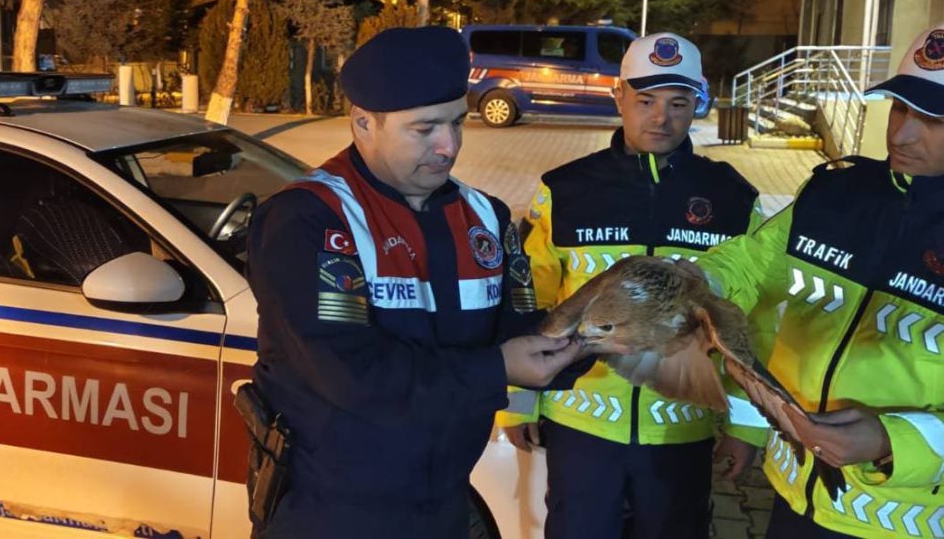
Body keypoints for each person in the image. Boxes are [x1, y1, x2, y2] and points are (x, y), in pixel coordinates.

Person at [244, 26, 595, 539]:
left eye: (458, 122)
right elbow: (351, 375)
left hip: (444, 503)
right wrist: (498, 367)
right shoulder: (311, 218)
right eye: (424, 128)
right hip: (327, 510)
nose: (448, 146)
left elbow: (521, 332)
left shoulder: (487, 218)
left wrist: (601, 335)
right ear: (363, 123)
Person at [497, 33, 770, 539]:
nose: (660, 118)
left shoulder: (733, 198)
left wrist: (748, 424)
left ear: (700, 101)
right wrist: (517, 398)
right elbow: (528, 297)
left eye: (678, 102)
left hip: (681, 428)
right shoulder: (565, 188)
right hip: (580, 425)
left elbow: (750, 317)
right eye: (645, 101)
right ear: (618, 95)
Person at [690, 25, 944, 538]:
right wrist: (689, 281)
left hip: (902, 519)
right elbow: (750, 264)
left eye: (933, 120)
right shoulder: (834, 191)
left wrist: (893, 440)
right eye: (899, 109)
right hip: (793, 492)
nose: (900, 135)